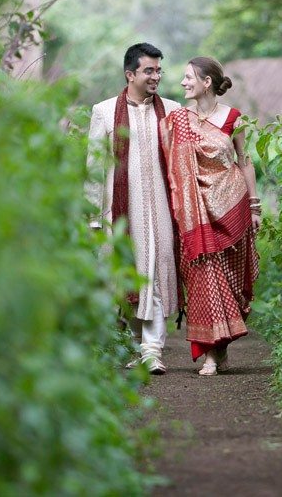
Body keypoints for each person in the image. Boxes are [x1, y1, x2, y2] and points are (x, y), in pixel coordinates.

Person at [86, 43, 182, 375]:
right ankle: (135, 344)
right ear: (130, 74)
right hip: (119, 213)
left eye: (159, 70)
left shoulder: (172, 111)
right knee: (124, 280)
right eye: (149, 70)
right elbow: (95, 167)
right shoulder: (104, 111)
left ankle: (153, 350)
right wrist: (94, 220)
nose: (156, 76)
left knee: (155, 275)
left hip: (161, 212)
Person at [161, 57, 261, 376]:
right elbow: (171, 169)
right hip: (195, 213)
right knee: (204, 278)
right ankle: (209, 356)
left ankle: (221, 347)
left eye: (188, 77)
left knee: (230, 284)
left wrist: (255, 206)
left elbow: (245, 162)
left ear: (207, 82)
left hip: (232, 209)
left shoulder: (234, 118)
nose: (182, 83)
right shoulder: (179, 119)